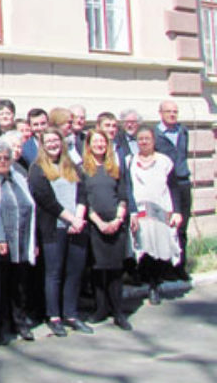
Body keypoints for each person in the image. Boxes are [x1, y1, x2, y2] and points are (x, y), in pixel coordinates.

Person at [28, 127, 91, 337]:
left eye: (56, 140)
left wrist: (79, 219)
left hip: (77, 227)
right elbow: (46, 200)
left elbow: (83, 192)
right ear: (42, 145)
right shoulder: (37, 169)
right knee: (54, 274)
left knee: (74, 272)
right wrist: (71, 219)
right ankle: (54, 316)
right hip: (54, 228)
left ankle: (71, 314)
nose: (53, 144)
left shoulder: (72, 165)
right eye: (49, 141)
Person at [81, 129, 132, 331]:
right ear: (89, 145)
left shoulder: (115, 168)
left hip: (116, 224)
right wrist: (99, 223)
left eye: (103, 141)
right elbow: (84, 199)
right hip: (95, 226)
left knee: (115, 270)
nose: (100, 145)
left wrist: (119, 219)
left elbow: (123, 196)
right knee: (98, 269)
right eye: (95, 141)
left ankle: (118, 311)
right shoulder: (82, 169)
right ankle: (100, 308)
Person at [127, 126, 182, 305]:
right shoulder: (130, 161)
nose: (143, 142)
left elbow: (174, 186)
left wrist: (177, 211)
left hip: (161, 210)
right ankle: (145, 280)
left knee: (160, 246)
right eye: (140, 139)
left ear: (153, 141)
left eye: (147, 139)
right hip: (140, 212)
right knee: (143, 246)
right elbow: (126, 187)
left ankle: (155, 284)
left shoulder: (164, 161)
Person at [0, 139, 36, 344]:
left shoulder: (19, 177)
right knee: (0, 287)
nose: (2, 161)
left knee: (20, 285)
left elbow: (30, 207)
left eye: (6, 158)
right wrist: (0, 237)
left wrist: (33, 241)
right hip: (2, 242)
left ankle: (20, 322)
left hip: (22, 240)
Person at [154, 100, 191, 281]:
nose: (172, 115)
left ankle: (180, 267)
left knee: (182, 226)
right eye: (168, 111)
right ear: (160, 113)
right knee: (164, 227)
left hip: (183, 183)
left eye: (175, 111)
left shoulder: (183, 131)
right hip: (165, 186)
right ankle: (164, 268)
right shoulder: (155, 134)